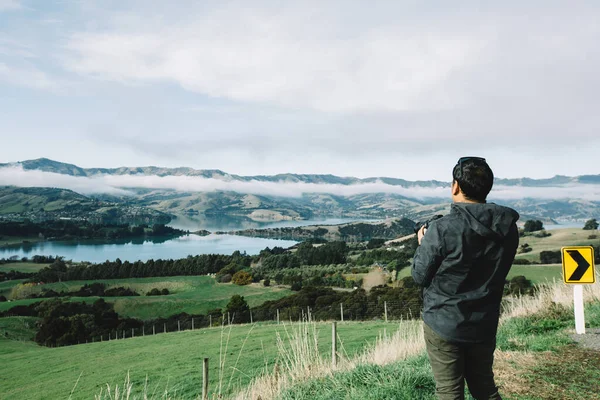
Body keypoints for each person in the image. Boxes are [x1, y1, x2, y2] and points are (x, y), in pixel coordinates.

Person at [411, 157, 519, 400]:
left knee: (449, 392)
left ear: (456, 186)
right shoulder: (507, 227)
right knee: (485, 388)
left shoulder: (442, 229)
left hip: (444, 321)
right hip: (484, 320)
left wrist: (422, 244)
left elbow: (420, 276)